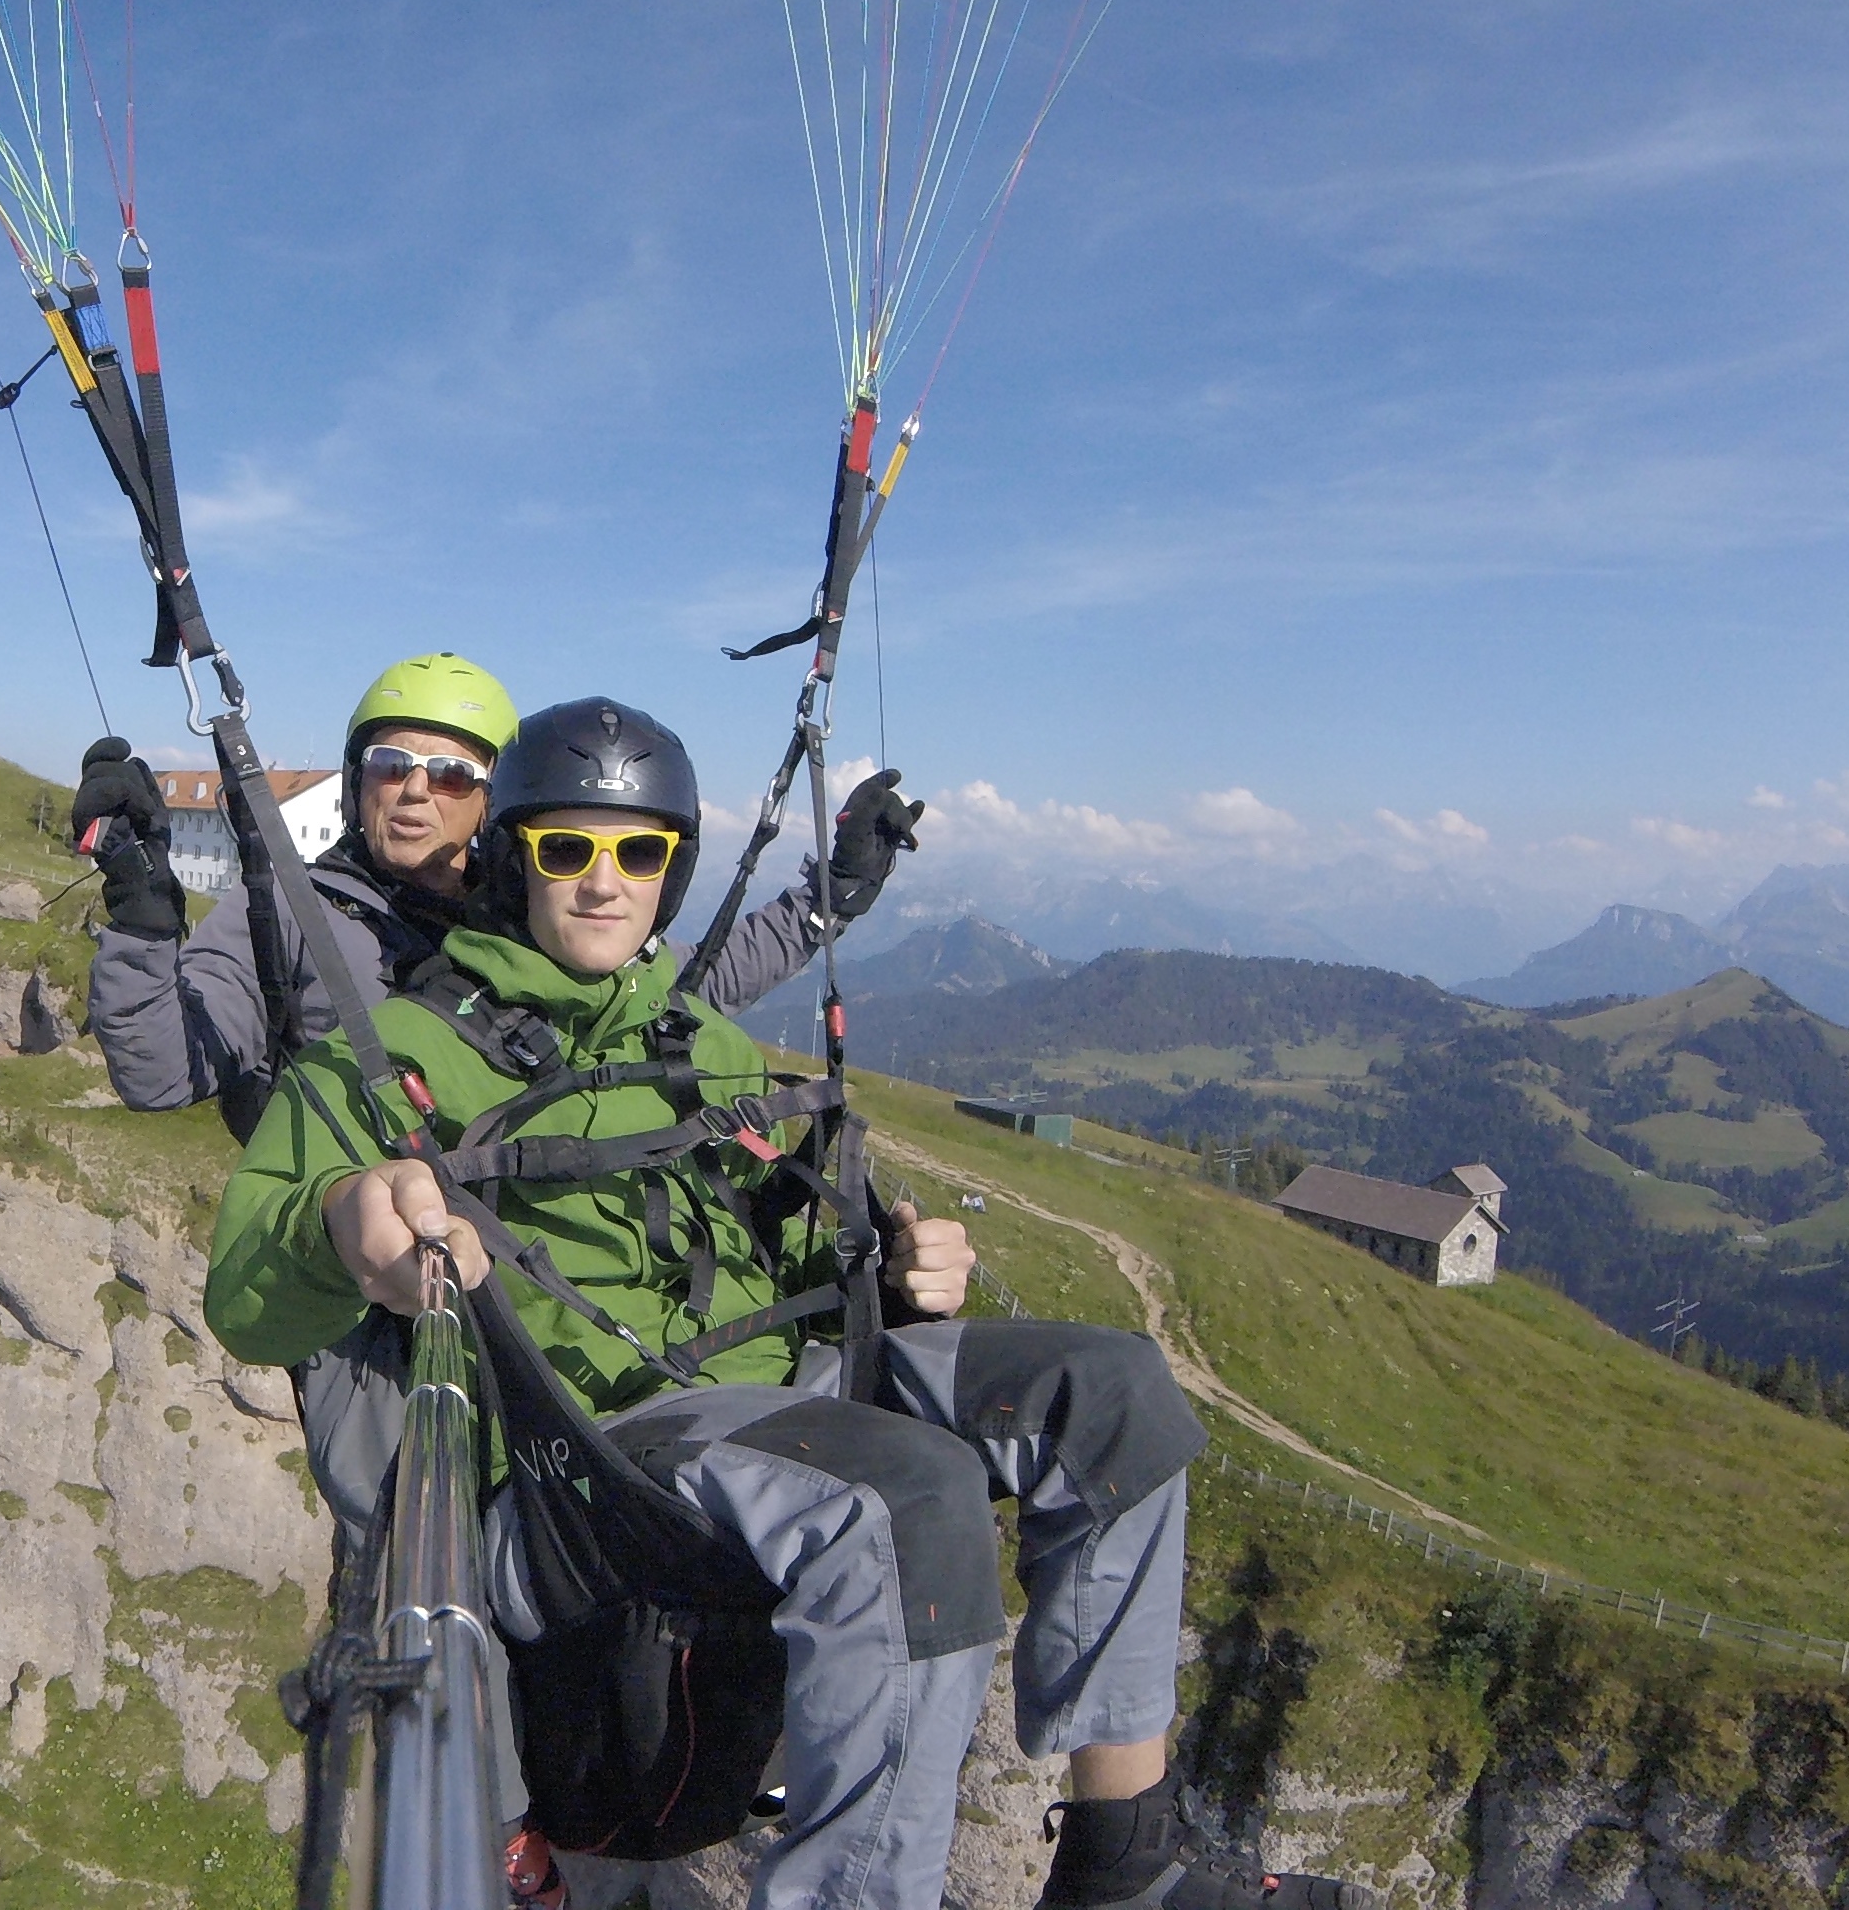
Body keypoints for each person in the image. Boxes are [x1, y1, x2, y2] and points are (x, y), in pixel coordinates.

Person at [207, 699, 1371, 1910]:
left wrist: (906, 1278)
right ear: (513, 858)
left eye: (638, 853)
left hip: (776, 1385)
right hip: (601, 1450)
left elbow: (790, 1231)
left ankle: (1124, 1859)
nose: (605, 884)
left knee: (1115, 1390)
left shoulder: (695, 1042)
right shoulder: (394, 1051)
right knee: (902, 1500)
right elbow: (245, 1292)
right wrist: (345, 1225)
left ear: (672, 871)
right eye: (568, 849)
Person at [72, 652, 921, 1132]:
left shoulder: (530, 903)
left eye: (451, 773)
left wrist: (831, 897)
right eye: (390, 765)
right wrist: (146, 920)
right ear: (356, 781)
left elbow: (687, 982)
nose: (413, 791)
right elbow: (162, 1071)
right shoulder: (292, 914)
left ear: (493, 802)